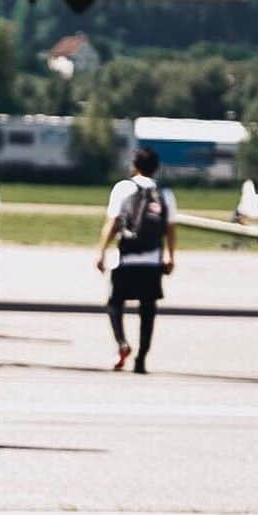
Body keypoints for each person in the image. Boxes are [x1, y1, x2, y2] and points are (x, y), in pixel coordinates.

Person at [96, 146, 176, 374]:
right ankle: (142, 358)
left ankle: (122, 342)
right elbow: (170, 228)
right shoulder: (165, 193)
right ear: (156, 168)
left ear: (134, 165)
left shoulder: (123, 188)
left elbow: (112, 223)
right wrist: (170, 254)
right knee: (148, 309)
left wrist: (101, 251)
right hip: (152, 260)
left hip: (126, 258)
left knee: (115, 302)